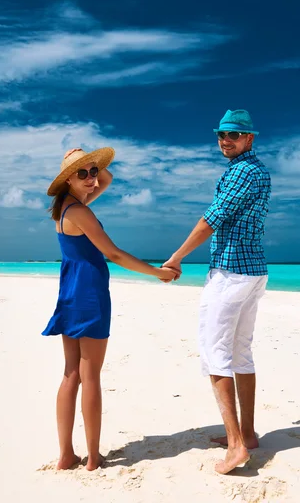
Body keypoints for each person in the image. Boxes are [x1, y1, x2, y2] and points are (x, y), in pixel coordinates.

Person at [43, 147, 179, 472]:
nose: (92, 179)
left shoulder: (66, 207)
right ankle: (92, 458)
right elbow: (114, 254)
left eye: (92, 172)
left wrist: (86, 164)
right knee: (89, 377)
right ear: (67, 180)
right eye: (83, 174)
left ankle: (65, 455)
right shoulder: (82, 212)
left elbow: (107, 177)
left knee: (71, 374)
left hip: (70, 292)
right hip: (89, 294)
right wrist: (158, 273)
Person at [162, 109, 271, 475]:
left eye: (234, 135)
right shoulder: (257, 171)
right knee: (241, 352)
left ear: (249, 138)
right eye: (222, 134)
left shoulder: (242, 171)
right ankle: (248, 433)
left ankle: (237, 445)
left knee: (216, 354)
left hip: (231, 274)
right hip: (254, 272)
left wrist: (176, 257)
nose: (226, 140)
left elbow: (213, 219)